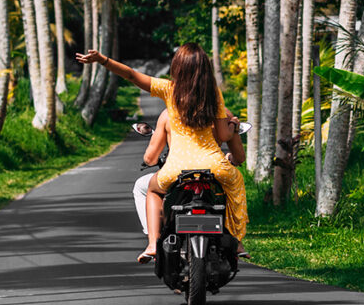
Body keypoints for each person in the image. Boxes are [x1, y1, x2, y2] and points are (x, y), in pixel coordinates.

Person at [77, 44, 249, 262]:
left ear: (177, 67)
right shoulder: (213, 94)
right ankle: (236, 241)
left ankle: (152, 245)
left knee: (152, 190)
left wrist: (103, 60)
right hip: (213, 165)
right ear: (205, 69)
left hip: (176, 168)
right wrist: (233, 125)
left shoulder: (169, 90)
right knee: (235, 183)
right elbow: (224, 135)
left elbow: (131, 75)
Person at [133, 106, 246, 235]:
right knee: (234, 187)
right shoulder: (222, 113)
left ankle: (153, 240)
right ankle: (236, 239)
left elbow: (150, 159)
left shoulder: (168, 114)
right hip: (214, 168)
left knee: (147, 188)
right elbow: (239, 157)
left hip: (176, 169)